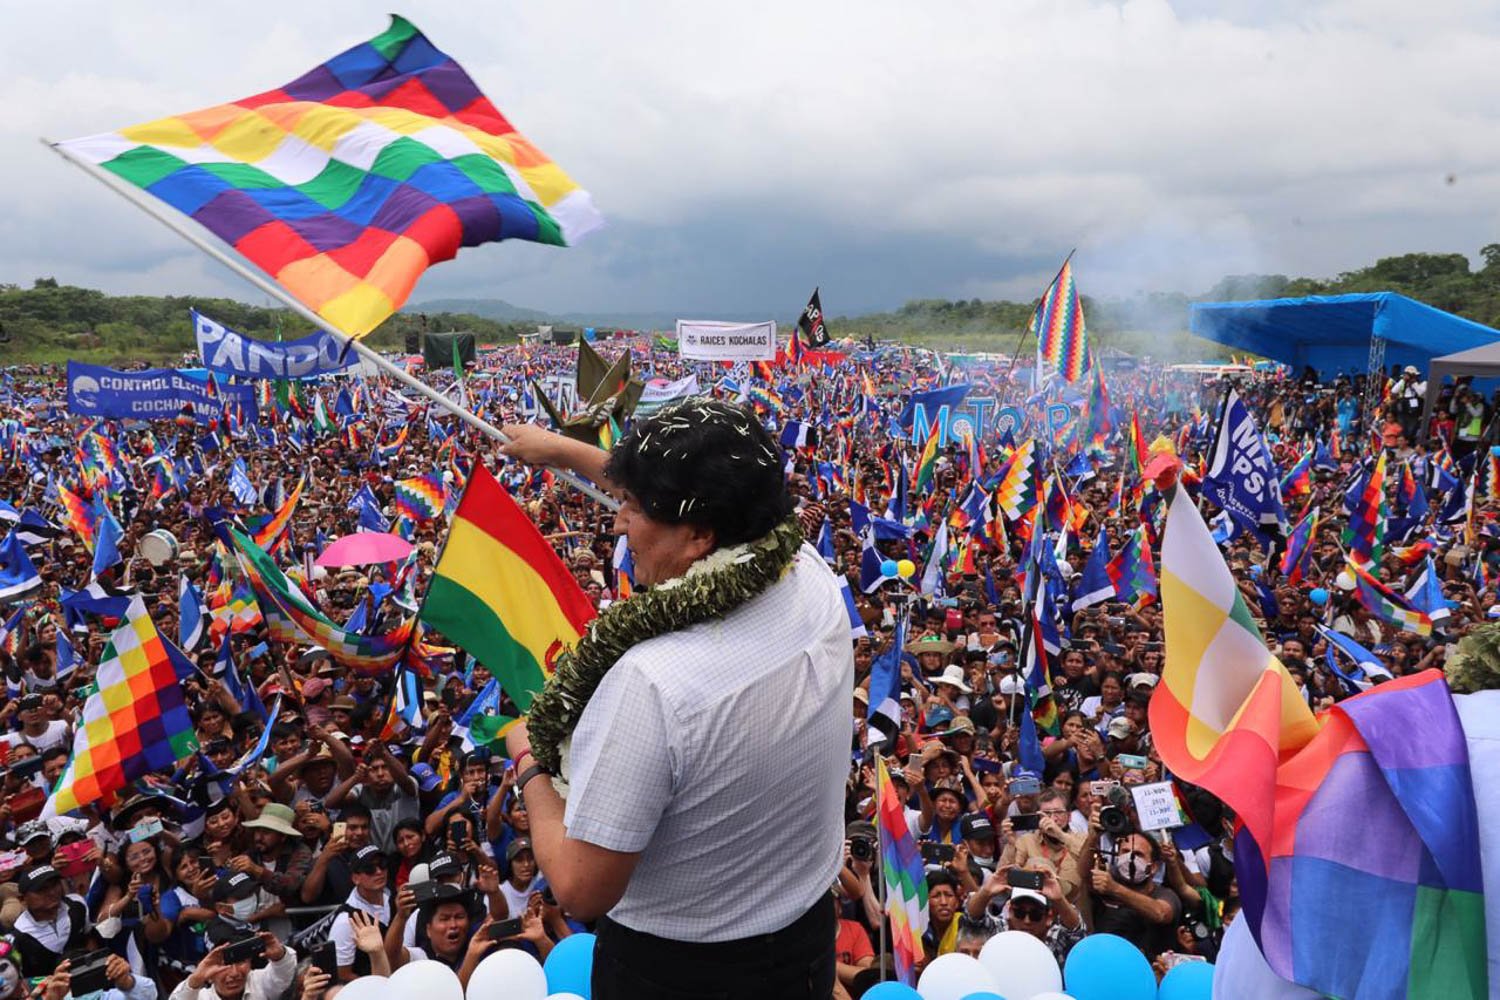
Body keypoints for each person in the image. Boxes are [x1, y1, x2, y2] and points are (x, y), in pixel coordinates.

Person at [499, 398, 853, 1000]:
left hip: (679, 974)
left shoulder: (654, 682)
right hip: (807, 944)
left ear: (698, 537)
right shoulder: (808, 572)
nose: (617, 522)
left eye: (633, 509)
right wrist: (562, 451)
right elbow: (697, 491)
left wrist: (529, 758)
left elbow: (582, 891)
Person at [166, 931, 295, 1000]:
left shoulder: (259, 982)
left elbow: (282, 975)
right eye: (224, 965)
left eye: (240, 962)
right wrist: (196, 979)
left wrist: (279, 956)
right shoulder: (201, 997)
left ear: (250, 962)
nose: (234, 973)